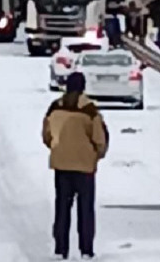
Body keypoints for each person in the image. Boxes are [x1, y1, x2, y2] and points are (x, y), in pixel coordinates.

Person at [42, 72, 108, 260]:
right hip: (85, 166)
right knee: (85, 209)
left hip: (61, 165)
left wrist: (58, 148)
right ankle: (86, 250)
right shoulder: (90, 110)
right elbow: (99, 139)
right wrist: (96, 155)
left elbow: (47, 135)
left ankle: (60, 249)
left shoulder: (54, 108)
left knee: (62, 207)